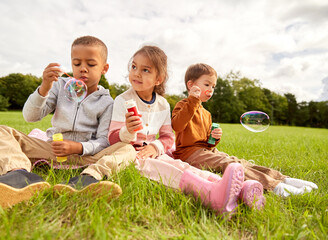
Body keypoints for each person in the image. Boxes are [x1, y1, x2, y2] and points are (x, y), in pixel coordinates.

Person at [85, 45, 250, 215]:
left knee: (181, 165)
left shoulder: (163, 104)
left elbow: (167, 136)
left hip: (153, 151)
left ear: (158, 79)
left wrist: (155, 147)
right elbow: (112, 138)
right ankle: (211, 193)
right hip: (132, 155)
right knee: (165, 171)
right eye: (134, 67)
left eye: (145, 70)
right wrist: (128, 130)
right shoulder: (122, 100)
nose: (136, 73)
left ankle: (238, 189)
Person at [0, 36, 122, 210]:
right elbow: (30, 116)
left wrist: (78, 147)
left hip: (86, 157)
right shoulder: (60, 86)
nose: (83, 69)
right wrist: (44, 87)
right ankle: (19, 175)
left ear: (104, 68)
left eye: (91, 64)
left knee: (126, 148)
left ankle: (87, 179)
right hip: (52, 149)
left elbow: (103, 140)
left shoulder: (108, 102)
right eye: (77, 64)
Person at [171, 63, 318, 198]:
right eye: (207, 84)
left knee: (239, 162)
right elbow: (177, 126)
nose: (210, 89)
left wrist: (214, 138)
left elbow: (207, 144)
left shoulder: (206, 113)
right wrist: (193, 100)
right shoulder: (183, 105)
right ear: (191, 85)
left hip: (205, 151)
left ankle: (282, 178)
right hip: (189, 154)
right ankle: (276, 187)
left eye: (213, 86)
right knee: (228, 164)